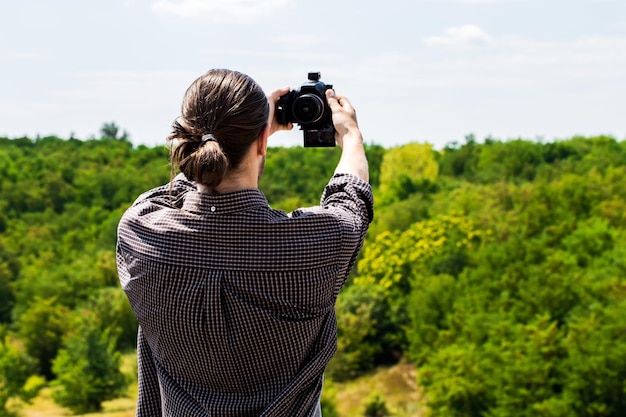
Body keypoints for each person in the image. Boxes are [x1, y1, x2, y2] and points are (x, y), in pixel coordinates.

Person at [116, 69, 373, 417]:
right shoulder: (312, 246)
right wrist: (351, 136)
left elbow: (168, 194)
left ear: (188, 143)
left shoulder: (140, 236)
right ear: (262, 142)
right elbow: (351, 200)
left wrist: (245, 136)